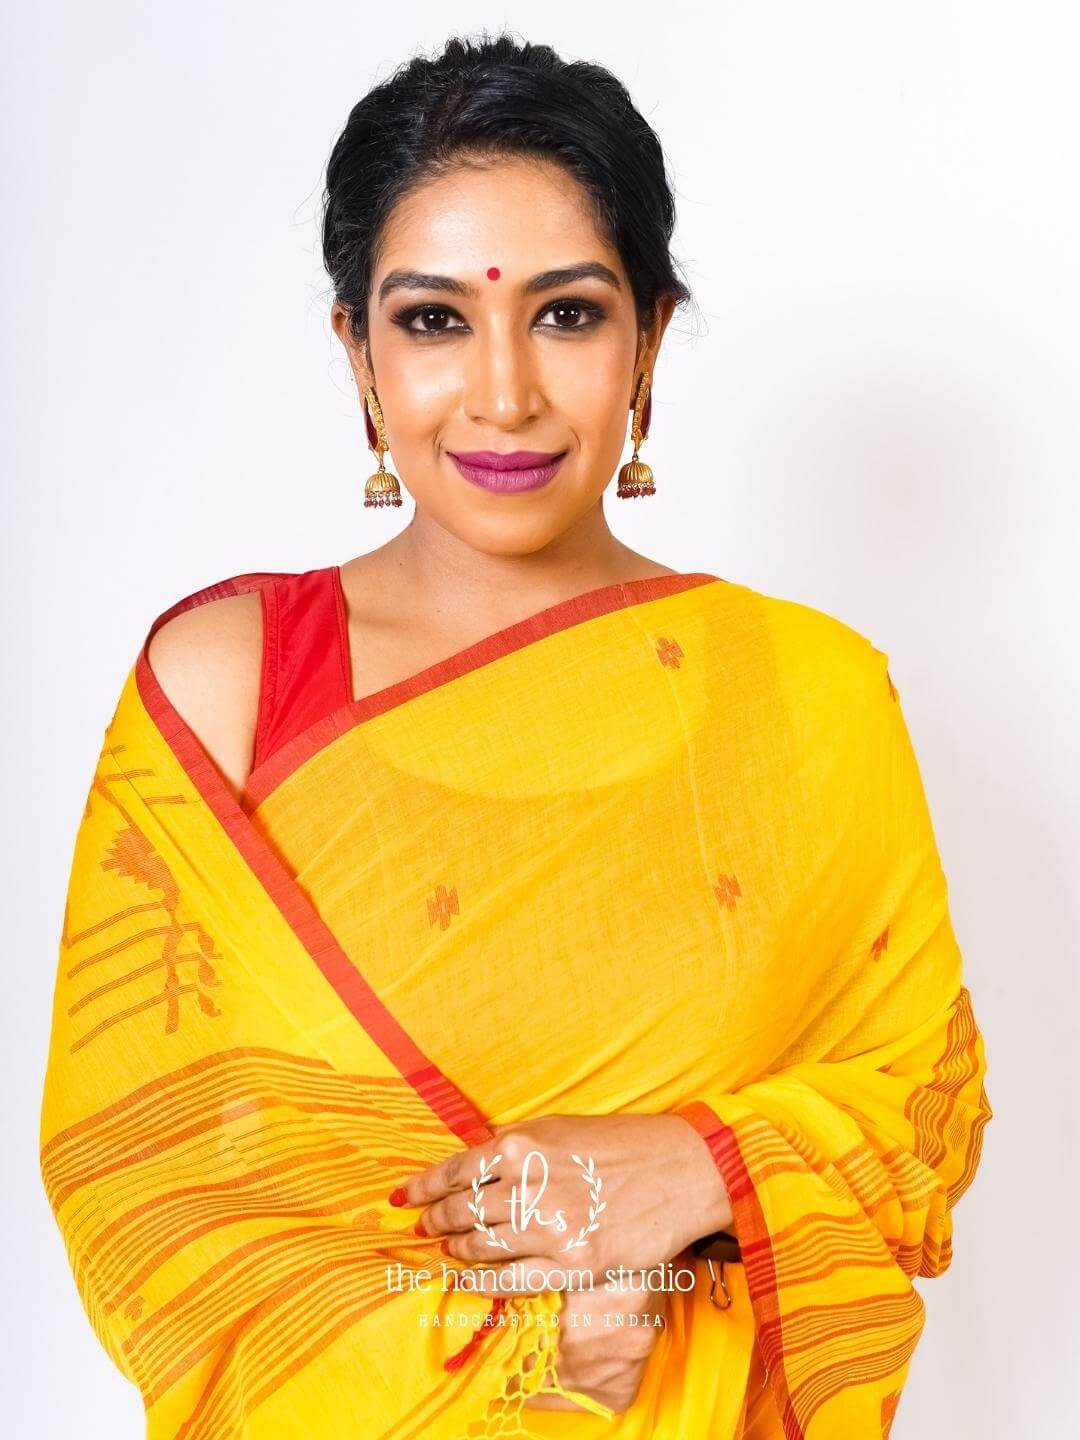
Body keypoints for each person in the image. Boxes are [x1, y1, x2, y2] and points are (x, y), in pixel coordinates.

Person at [39, 32, 993, 1440]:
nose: (503, 394)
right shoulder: (231, 687)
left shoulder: (810, 695)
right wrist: (520, 1345)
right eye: (434, 320)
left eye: (567, 315)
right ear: (358, 352)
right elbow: (144, 1192)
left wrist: (698, 1165)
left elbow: (926, 1110)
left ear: (648, 339)